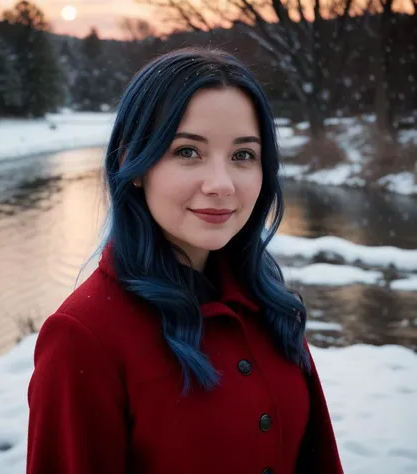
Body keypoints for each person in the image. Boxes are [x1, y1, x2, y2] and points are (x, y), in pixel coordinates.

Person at [26, 47, 343, 474]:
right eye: (187, 152)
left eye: (243, 155)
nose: (221, 184)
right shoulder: (83, 338)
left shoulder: (269, 301)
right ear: (132, 163)